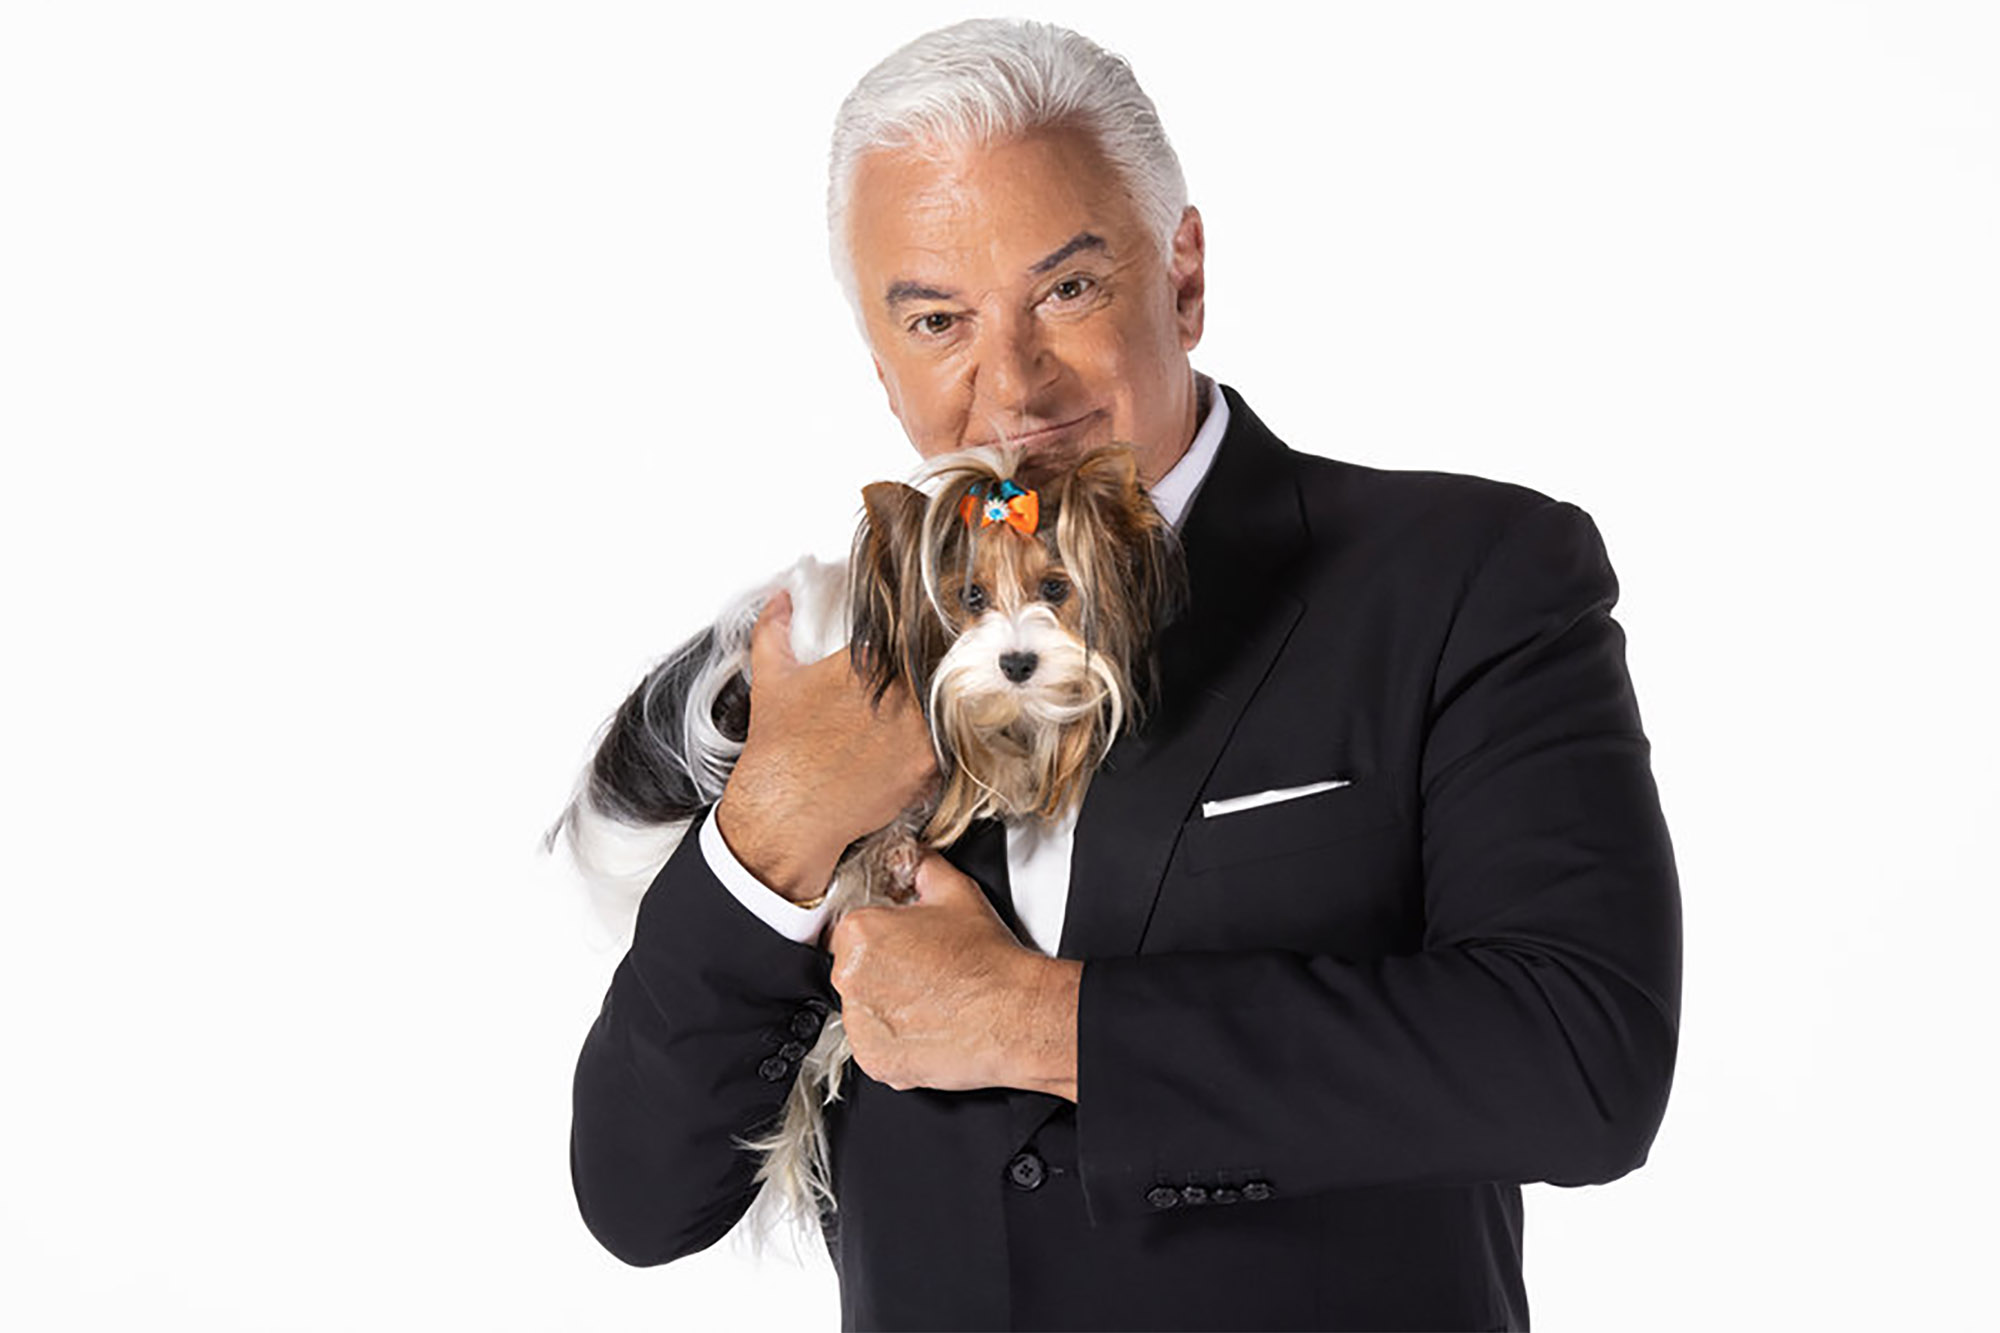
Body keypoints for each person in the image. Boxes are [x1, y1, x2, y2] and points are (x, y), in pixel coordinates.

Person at [567, 18, 1681, 1332]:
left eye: (1067, 290)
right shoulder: (819, 663)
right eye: (938, 319)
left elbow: (1581, 1061)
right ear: (880, 358)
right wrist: (778, 823)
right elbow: (640, 1199)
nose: (1012, 385)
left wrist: (1044, 1020)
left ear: (1183, 273)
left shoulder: (1467, 574)